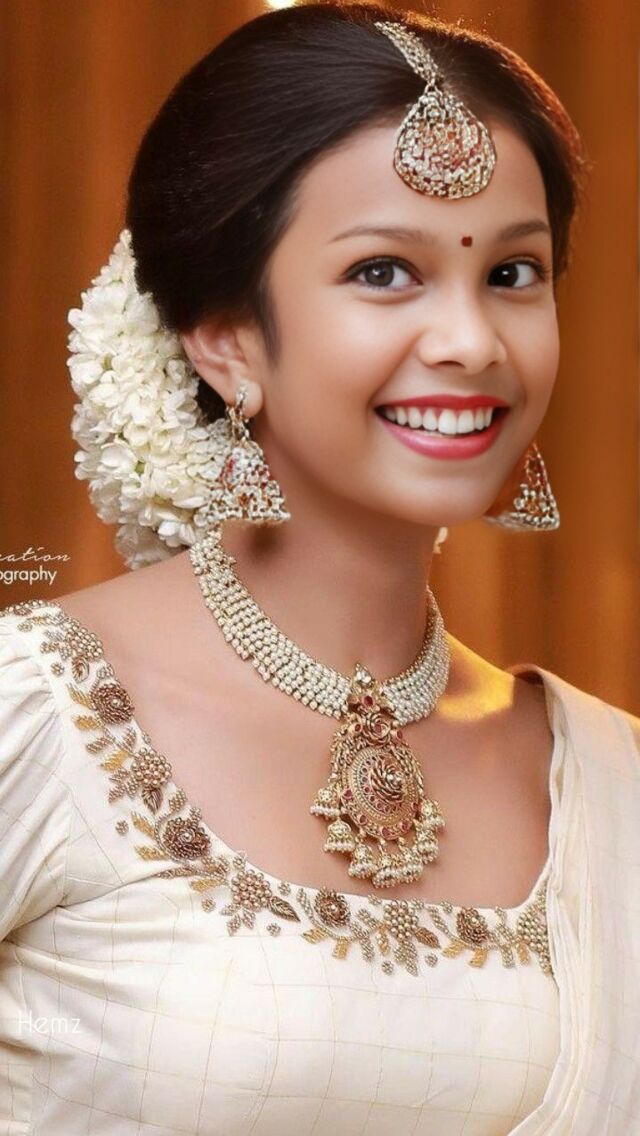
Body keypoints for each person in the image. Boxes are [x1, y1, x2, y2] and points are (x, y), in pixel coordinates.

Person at [1, 4, 638, 1133]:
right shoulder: (33, 715)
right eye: (385, 270)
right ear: (224, 335)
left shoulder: (608, 784)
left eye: (513, 271)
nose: (472, 342)